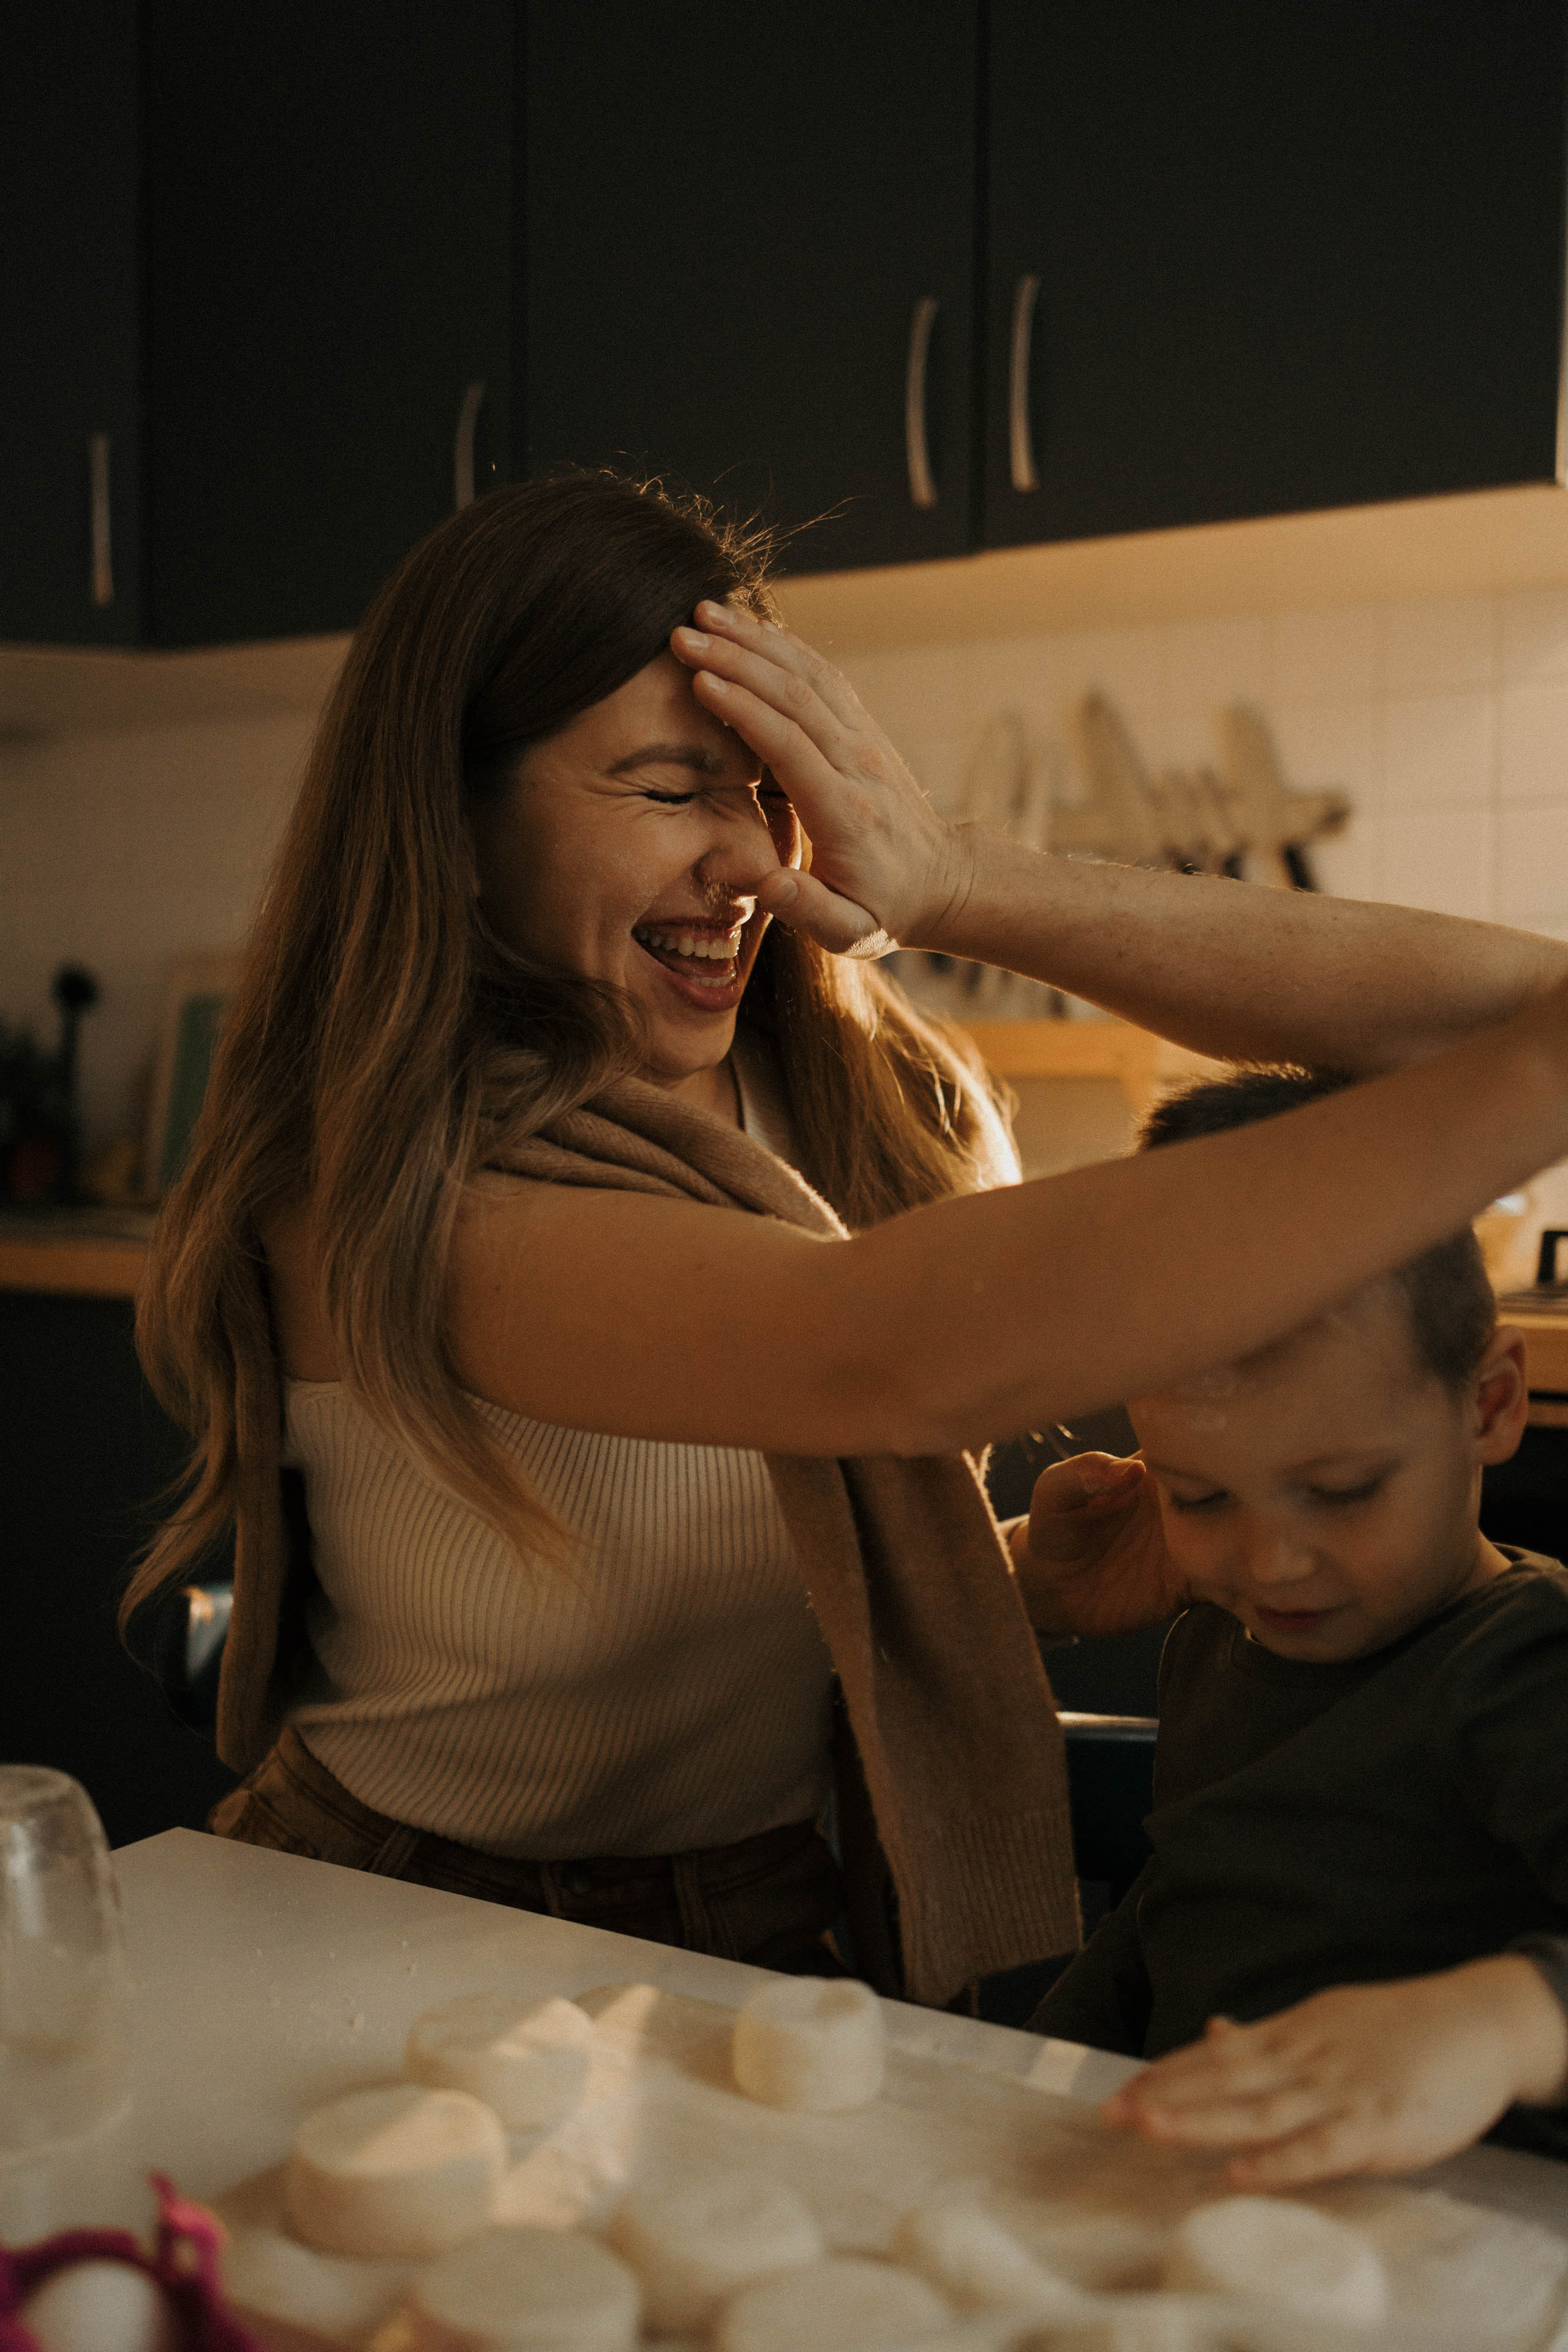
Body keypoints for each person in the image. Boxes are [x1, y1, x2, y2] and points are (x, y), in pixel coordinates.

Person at [123, 469, 1568, 2008]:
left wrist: (955, 878)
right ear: (455, 826)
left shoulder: (862, 1099)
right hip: (390, 1920)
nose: (749, 860)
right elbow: (871, 1352)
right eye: (671, 789)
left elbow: (1506, 1015)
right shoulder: (386, 1193)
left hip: (758, 1925)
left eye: (765, 790)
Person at [1030, 1066, 1568, 2180]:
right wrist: (1025, 2069)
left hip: (1462, 2242)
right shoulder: (1220, 1644)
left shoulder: (1526, 1663)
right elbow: (1182, 1908)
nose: (1270, 1563)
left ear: (1491, 1403)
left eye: (1343, 1490)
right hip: (1205, 2199)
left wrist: (1501, 2022)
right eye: (1202, 1497)